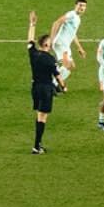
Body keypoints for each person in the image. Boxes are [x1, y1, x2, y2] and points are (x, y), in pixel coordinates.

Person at [26, 8, 63, 154]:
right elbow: (58, 76)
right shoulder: (50, 59)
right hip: (46, 89)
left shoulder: (33, 54)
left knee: (39, 115)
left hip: (35, 88)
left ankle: (38, 144)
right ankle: (36, 146)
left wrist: (32, 24)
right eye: (50, 42)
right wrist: (63, 87)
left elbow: (29, 41)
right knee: (43, 117)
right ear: (46, 45)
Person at [50, 0, 87, 86]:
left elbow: (73, 34)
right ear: (76, 5)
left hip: (65, 45)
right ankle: (53, 84)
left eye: (84, 6)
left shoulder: (77, 19)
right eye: (80, 5)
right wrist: (51, 40)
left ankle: (55, 83)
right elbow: (56, 23)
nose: (82, 7)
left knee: (71, 66)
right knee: (67, 65)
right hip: (61, 43)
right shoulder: (71, 14)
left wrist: (80, 48)